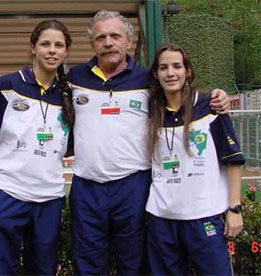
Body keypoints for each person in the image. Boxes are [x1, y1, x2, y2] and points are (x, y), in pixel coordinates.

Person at [67, 10, 230, 275]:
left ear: (128, 42)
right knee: (88, 264)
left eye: (115, 36)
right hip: (87, 187)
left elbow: (180, 90)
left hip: (133, 185)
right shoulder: (75, 78)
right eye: (101, 37)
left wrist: (216, 96)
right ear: (93, 43)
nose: (108, 42)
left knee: (134, 264)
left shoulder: (148, 79)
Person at [0, 19, 74, 275]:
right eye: (45, 44)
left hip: (49, 200)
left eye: (58, 45)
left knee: (42, 271)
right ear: (32, 48)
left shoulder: (68, 96)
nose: (52, 50)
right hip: (8, 195)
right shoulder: (6, 86)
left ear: (65, 52)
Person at [145, 43, 245, 275]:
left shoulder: (210, 105)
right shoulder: (149, 110)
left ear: (188, 71)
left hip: (204, 216)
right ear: (155, 74)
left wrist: (234, 208)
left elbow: (232, 160)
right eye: (163, 67)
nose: (171, 73)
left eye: (177, 66)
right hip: (162, 218)